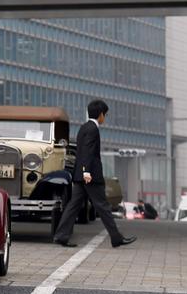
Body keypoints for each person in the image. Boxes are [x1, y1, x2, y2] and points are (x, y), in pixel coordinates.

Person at [53, 100, 135, 249]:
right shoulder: (93, 129)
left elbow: (82, 151)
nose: (105, 118)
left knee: (73, 206)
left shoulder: (84, 127)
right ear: (101, 114)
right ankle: (116, 238)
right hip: (89, 176)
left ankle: (61, 235)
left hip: (81, 175)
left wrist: (82, 171)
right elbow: (88, 152)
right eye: (105, 114)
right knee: (103, 206)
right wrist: (86, 172)